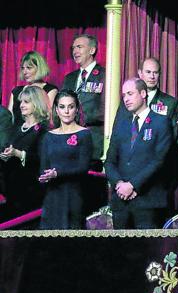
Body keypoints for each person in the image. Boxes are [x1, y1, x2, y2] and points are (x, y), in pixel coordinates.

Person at [104, 78, 173, 229]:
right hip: (121, 202)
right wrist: (120, 185)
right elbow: (109, 162)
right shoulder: (122, 124)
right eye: (124, 95)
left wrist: (133, 185)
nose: (126, 99)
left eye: (130, 94)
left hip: (147, 202)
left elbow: (159, 160)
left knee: (148, 251)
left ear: (143, 93)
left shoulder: (161, 122)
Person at [38, 90, 92, 229]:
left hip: (74, 196)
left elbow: (83, 167)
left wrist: (57, 173)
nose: (66, 111)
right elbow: (43, 168)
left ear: (77, 109)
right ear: (56, 109)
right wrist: (43, 177)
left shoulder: (84, 134)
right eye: (62, 107)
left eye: (71, 106)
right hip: (52, 197)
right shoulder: (48, 136)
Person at [0, 87, 50, 221]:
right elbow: (8, 147)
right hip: (11, 189)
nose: (21, 105)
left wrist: (19, 154)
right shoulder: (17, 128)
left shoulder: (44, 131)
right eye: (21, 102)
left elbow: (42, 160)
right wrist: (5, 155)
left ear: (37, 103)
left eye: (26, 102)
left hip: (30, 191)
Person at [62, 34, 105, 164]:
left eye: (79, 47)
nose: (75, 51)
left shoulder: (105, 75)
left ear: (92, 50)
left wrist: (80, 117)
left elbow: (107, 108)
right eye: (73, 48)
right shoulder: (69, 78)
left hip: (93, 139)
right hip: (69, 138)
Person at [7, 51, 58, 127]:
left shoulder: (50, 90)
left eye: (29, 68)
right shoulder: (16, 91)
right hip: (16, 134)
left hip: (37, 135)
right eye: (23, 68)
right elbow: (9, 118)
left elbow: (49, 118)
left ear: (39, 68)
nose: (24, 72)